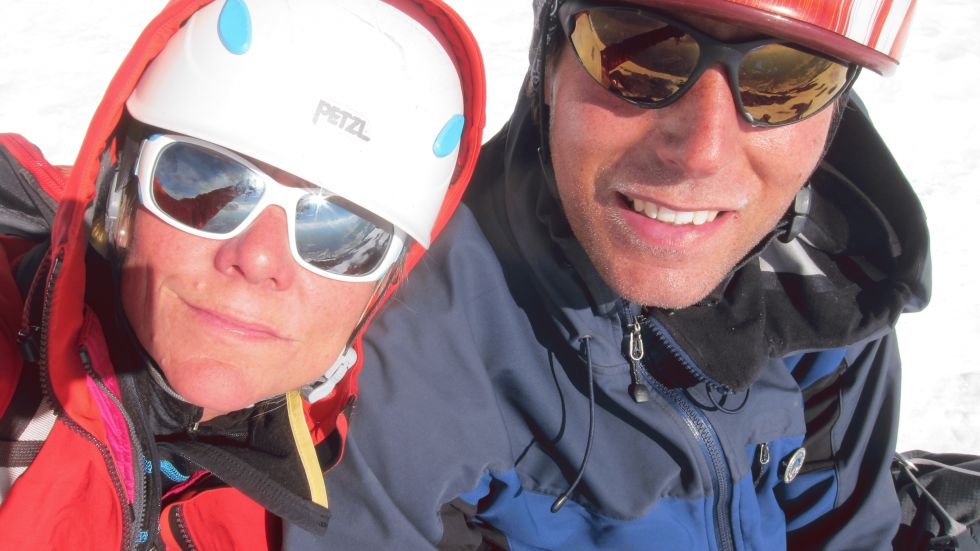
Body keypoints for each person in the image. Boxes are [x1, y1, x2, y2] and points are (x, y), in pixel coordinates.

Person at [286, 0, 933, 549]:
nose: (701, 153)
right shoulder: (407, 361)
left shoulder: (830, 280)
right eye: (641, 56)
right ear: (548, 67)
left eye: (788, 79)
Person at [0, 0, 484, 548]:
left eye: (342, 232)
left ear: (379, 290)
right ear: (122, 199)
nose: (257, 259)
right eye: (205, 181)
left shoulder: (339, 477)